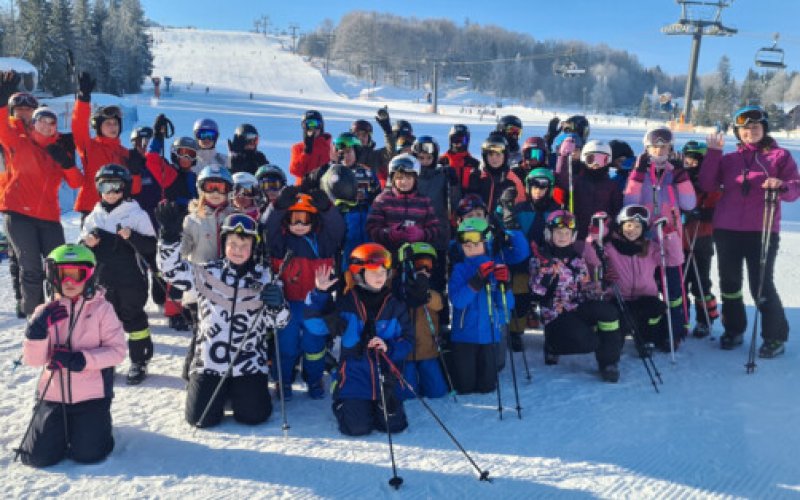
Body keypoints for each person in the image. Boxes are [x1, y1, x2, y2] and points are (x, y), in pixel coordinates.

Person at [156, 210, 290, 427]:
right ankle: (210, 386)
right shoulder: (207, 272)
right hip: (210, 361)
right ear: (224, 243)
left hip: (248, 362)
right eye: (233, 244)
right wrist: (169, 239)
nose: (238, 250)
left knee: (253, 417)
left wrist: (278, 305)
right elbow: (170, 271)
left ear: (253, 247)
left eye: (244, 245)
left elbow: (280, 323)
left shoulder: (266, 278)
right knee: (199, 419)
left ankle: (237, 390)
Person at [700, 106, 800, 356]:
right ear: (738, 132)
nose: (750, 132)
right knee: (730, 284)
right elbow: (706, 184)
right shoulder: (729, 159)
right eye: (745, 129)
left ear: (764, 128)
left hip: (761, 230)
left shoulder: (780, 156)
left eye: (755, 127)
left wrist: (782, 186)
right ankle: (734, 329)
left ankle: (774, 337)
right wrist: (713, 153)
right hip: (726, 230)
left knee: (761, 285)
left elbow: (795, 187)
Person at [17, 244, 126, 467]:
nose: (70, 282)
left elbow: (117, 351)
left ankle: (96, 426)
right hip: (53, 395)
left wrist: (82, 360)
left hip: (91, 394)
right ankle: (53, 424)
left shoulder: (102, 310)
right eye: (63, 274)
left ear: (89, 276)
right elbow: (34, 361)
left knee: (89, 455)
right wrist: (35, 333)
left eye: (77, 275)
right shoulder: (44, 312)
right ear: (53, 276)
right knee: (37, 458)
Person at [304, 244, 413, 436]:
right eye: (373, 272)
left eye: (383, 271)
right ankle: (341, 399)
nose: (380, 276)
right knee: (357, 428)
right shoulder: (346, 304)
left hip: (385, 376)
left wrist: (389, 347)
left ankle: (375, 404)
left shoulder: (395, 305)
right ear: (359, 274)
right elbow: (315, 326)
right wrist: (319, 294)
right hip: (354, 376)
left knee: (394, 426)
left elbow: (408, 340)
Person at [0, 71, 83, 317]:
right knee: (31, 269)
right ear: (34, 123)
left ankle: (60, 315)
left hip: (49, 217)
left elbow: (77, 182)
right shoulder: (17, 140)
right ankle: (33, 321)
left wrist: (66, 162)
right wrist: (3, 98)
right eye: (41, 121)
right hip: (18, 213)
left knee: (58, 268)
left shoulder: (58, 148)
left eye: (52, 122)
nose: (47, 125)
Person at [262, 189, 344, 399]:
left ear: (314, 220)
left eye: (304, 219)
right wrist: (278, 207)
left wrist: (327, 208)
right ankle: (283, 380)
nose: (299, 225)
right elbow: (267, 227)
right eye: (294, 219)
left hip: (315, 306)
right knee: (286, 347)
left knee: (314, 347)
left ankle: (314, 379)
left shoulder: (323, 242)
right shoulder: (280, 243)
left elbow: (338, 229)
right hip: (287, 305)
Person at [81, 164, 156, 385]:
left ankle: (139, 360)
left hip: (131, 279)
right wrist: (88, 244)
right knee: (103, 323)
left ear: (125, 189)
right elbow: (83, 251)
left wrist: (132, 236)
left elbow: (152, 246)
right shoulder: (93, 217)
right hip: (103, 279)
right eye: (105, 186)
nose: (111, 192)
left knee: (133, 318)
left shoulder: (136, 214)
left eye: (117, 187)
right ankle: (106, 363)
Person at [529, 210, 623, 382]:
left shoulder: (577, 260)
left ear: (573, 236)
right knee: (589, 341)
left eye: (566, 233)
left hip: (577, 308)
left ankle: (608, 362)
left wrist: (601, 286)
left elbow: (584, 287)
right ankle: (552, 346)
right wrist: (548, 271)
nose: (562, 237)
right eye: (558, 233)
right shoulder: (540, 259)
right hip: (556, 315)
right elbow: (536, 292)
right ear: (550, 234)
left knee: (609, 312)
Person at [624, 126, 696, 344]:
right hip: (644, 239)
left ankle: (676, 329)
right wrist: (637, 176)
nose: (659, 151)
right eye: (655, 147)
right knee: (648, 288)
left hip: (670, 238)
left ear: (670, 148)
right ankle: (648, 330)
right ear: (647, 149)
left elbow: (689, 203)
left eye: (664, 147)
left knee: (673, 288)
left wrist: (682, 177)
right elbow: (629, 204)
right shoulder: (640, 172)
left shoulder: (675, 173)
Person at [584, 205, 681, 353]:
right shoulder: (610, 247)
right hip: (619, 298)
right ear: (621, 226)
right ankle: (616, 339)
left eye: (637, 226)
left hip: (645, 298)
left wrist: (669, 235)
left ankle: (646, 339)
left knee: (656, 309)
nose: (632, 230)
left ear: (644, 229)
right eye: (628, 225)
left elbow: (675, 259)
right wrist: (595, 235)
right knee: (619, 319)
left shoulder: (650, 248)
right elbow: (592, 258)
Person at [177, 164, 236, 378]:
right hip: (199, 290)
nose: (216, 194)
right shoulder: (193, 219)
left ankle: (223, 373)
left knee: (224, 333)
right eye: (211, 187)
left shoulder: (234, 217)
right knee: (201, 332)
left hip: (227, 289)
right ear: (201, 189)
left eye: (221, 188)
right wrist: (172, 234)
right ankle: (192, 375)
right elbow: (182, 251)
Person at [447, 217, 514, 394]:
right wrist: (475, 282)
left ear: (487, 243)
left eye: (476, 244)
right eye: (466, 245)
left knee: (487, 387)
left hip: (489, 335)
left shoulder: (496, 268)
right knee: (465, 387)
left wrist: (505, 286)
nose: (471, 248)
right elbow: (458, 301)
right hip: (464, 336)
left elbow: (508, 306)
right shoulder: (460, 269)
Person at [395, 242, 449, 399]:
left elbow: (439, 304)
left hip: (427, 350)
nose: (424, 270)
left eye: (428, 265)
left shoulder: (432, 289)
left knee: (437, 392)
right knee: (408, 394)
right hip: (406, 354)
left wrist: (424, 293)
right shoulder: (399, 287)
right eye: (419, 264)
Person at [71, 72, 130, 218]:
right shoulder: (89, 146)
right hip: (91, 209)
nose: (113, 127)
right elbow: (78, 127)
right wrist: (83, 99)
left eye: (115, 123)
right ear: (98, 128)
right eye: (108, 123)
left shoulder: (124, 153)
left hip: (118, 211)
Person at [1, 90, 38, 318]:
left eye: (28, 110)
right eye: (20, 110)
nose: (24, 114)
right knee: (19, 256)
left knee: (37, 258)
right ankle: (21, 297)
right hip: (12, 200)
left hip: (38, 201)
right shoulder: (7, 132)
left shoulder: (38, 131)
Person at [681, 141, 720, 338]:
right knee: (680, 282)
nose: (692, 162)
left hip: (702, 238)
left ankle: (706, 318)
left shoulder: (711, 183)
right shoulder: (680, 179)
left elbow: (720, 208)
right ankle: (681, 318)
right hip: (680, 240)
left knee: (700, 284)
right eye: (688, 157)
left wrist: (704, 213)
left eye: (697, 159)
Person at [366, 153, 440, 255]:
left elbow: (435, 229)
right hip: (389, 254)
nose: (404, 182)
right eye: (399, 178)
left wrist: (421, 234)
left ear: (415, 179)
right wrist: (389, 233)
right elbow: (372, 228)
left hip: (417, 254)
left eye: (408, 178)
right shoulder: (382, 200)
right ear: (393, 179)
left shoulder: (424, 201)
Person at [555, 139, 623, 242]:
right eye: (591, 159)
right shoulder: (576, 181)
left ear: (608, 161)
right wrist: (564, 157)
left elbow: (617, 211)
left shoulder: (612, 186)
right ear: (584, 159)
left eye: (601, 160)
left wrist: (610, 227)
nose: (596, 163)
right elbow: (561, 180)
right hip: (576, 236)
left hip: (601, 237)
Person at [466, 132, 525, 215]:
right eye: (490, 154)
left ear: (505, 156)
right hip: (479, 224)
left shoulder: (513, 180)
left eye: (498, 154)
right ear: (485, 156)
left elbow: (521, 205)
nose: (494, 158)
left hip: (503, 225)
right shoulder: (477, 177)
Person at [289, 110, 331, 184]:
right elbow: (295, 171)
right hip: (303, 191)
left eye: (316, 124)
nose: (313, 129)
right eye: (308, 125)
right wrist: (306, 152)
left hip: (324, 191)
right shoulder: (298, 148)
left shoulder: (329, 148)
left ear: (321, 127)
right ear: (304, 127)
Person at [439, 124, 480, 191]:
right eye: (455, 139)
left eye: (463, 140)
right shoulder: (441, 161)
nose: (459, 144)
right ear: (450, 141)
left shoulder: (474, 164)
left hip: (467, 199)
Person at [351, 119, 387, 185]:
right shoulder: (347, 155)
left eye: (364, 135)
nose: (360, 138)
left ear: (369, 137)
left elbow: (391, 152)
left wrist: (388, 133)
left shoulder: (376, 155)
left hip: (372, 191)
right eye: (357, 135)